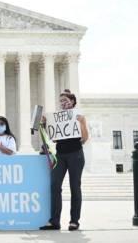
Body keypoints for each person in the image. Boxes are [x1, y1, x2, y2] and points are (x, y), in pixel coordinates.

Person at [41, 90, 89, 231]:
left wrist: (82, 123)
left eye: (66, 100)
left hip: (76, 154)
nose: (63, 103)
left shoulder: (79, 116)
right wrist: (45, 124)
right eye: (61, 101)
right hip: (60, 155)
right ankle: (54, 221)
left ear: (73, 101)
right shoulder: (57, 118)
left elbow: (85, 139)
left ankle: (74, 221)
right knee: (54, 186)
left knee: (75, 187)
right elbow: (54, 138)